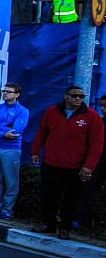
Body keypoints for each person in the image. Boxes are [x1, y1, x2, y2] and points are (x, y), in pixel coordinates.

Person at [31, 86, 103, 239]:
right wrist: (35, 152)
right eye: (74, 95)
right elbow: (42, 132)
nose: (78, 99)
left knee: (72, 199)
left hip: (75, 166)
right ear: (65, 96)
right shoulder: (51, 111)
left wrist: (89, 167)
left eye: (81, 96)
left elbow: (96, 144)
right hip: (51, 163)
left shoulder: (92, 116)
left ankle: (65, 228)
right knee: (49, 195)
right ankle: (48, 223)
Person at [0, 82, 29, 220]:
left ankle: (8, 208)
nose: (5, 94)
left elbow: (16, 130)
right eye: (4, 91)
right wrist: (3, 132)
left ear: (17, 94)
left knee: (11, 180)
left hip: (11, 148)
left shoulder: (23, 111)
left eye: (8, 92)